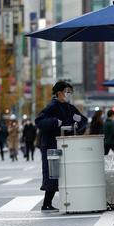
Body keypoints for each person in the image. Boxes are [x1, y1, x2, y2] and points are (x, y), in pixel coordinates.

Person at [35, 81, 88, 211]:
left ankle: (64, 201)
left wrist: (78, 123)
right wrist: (55, 122)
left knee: (66, 173)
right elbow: (39, 121)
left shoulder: (70, 108)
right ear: (59, 93)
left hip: (67, 145)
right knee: (53, 174)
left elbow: (83, 121)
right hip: (51, 145)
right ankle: (46, 203)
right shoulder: (52, 106)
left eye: (70, 92)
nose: (69, 94)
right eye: (67, 91)